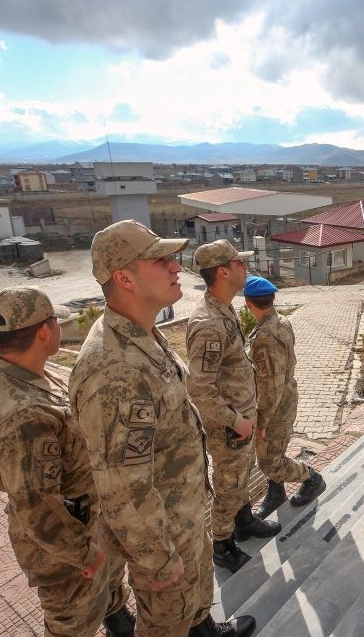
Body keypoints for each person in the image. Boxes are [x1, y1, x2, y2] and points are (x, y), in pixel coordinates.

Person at [68, 221, 254, 637]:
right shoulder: (113, 368)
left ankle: (204, 627)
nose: (176, 267)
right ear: (124, 277)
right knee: (165, 622)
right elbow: (121, 486)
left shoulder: (143, 336)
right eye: (161, 259)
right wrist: (158, 559)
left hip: (183, 513)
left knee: (193, 604)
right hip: (162, 534)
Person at [0, 286, 134, 637]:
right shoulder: (25, 416)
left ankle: (120, 622)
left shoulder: (20, 372)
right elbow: (35, 506)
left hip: (88, 520)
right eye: (56, 321)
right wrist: (84, 554)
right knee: (72, 623)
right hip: (66, 549)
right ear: (45, 331)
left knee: (110, 589)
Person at [187, 240, 281, 574]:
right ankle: (223, 546)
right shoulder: (209, 324)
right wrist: (235, 421)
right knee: (228, 487)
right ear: (224, 271)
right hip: (230, 427)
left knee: (239, 480)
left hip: (241, 419)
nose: (245, 267)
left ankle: (244, 523)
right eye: (239, 263)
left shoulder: (223, 310)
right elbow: (199, 387)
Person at [243, 275, 326, 518]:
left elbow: (271, 385)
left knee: (269, 462)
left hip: (276, 405)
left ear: (248, 303)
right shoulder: (281, 321)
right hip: (284, 397)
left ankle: (311, 477)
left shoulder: (266, 336)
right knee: (273, 451)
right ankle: (277, 492)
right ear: (273, 298)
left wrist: (262, 420)